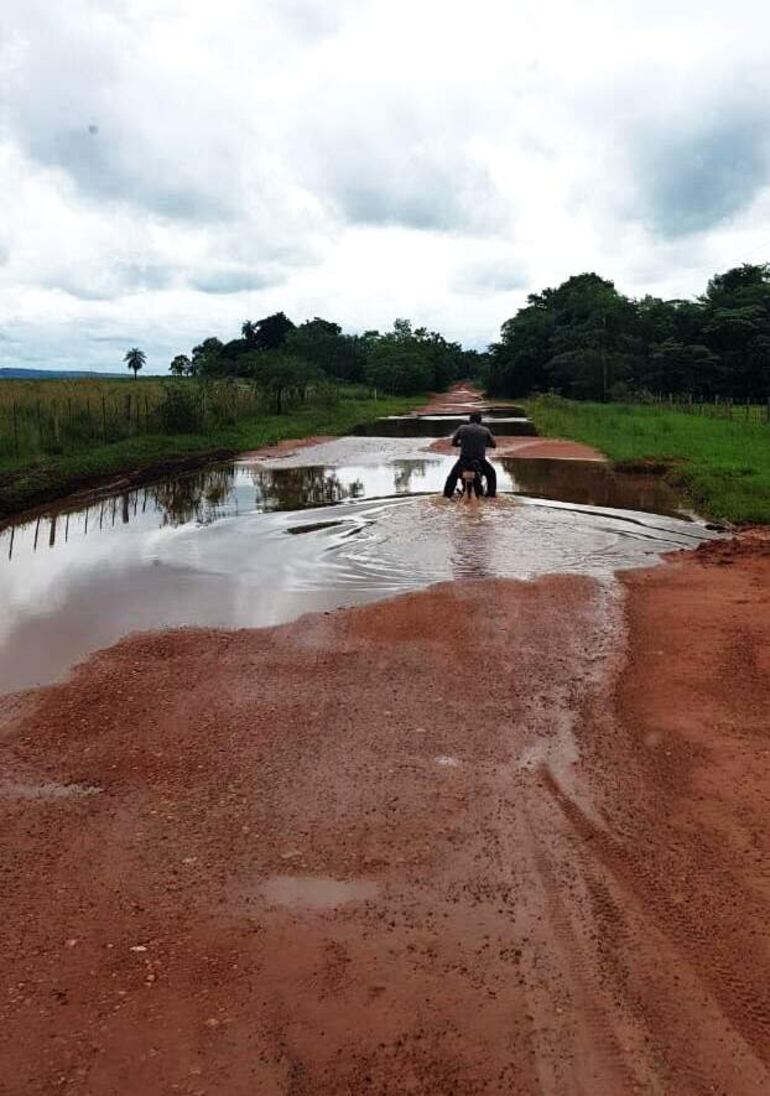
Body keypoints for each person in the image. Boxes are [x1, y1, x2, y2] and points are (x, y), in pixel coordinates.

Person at [442, 412, 497, 498]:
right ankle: (491, 495)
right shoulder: (485, 430)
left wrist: (463, 444)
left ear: (470, 420)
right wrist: (483, 444)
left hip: (463, 460)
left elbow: (454, 443)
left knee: (452, 476)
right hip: (480, 460)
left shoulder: (462, 428)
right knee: (491, 474)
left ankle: (447, 494)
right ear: (480, 421)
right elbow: (494, 445)